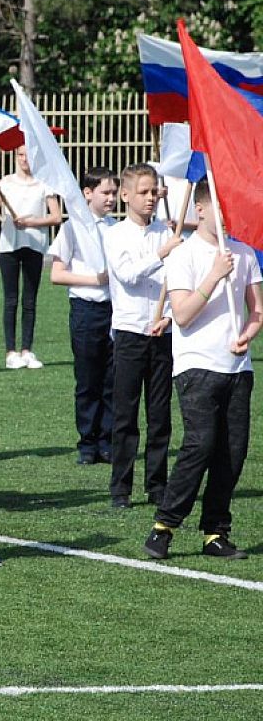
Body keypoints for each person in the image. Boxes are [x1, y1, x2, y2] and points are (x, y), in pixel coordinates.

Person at [143, 180, 262, 561]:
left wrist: (247, 334)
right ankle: (164, 526)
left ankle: (216, 532)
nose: (227, 215)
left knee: (233, 451)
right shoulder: (185, 255)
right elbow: (182, 314)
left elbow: (257, 310)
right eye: (219, 207)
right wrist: (213, 276)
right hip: (197, 366)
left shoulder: (244, 254)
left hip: (236, 367)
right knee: (201, 443)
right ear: (201, 210)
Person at [105, 163, 180, 509]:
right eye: (143, 192)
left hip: (161, 332)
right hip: (130, 332)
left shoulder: (166, 231)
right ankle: (120, 487)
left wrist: (167, 316)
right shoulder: (115, 234)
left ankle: (157, 484)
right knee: (125, 414)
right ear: (126, 195)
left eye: (154, 192)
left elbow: (176, 280)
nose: (150, 198)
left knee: (160, 414)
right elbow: (129, 274)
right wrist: (163, 253)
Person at [48, 168, 118, 465]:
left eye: (114, 193)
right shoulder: (73, 227)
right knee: (88, 379)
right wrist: (96, 280)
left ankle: (108, 441)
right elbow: (57, 274)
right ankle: (87, 442)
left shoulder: (116, 228)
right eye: (105, 192)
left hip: (116, 312)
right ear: (87, 193)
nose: (111, 198)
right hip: (87, 310)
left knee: (113, 380)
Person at [0, 145, 61, 369]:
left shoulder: (44, 183)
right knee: (11, 300)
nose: (24, 159)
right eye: (20, 154)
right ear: (16, 156)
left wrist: (32, 222)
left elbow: (56, 217)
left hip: (34, 245)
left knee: (30, 300)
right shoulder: (6, 182)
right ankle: (11, 351)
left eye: (28, 155)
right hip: (9, 245)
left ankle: (27, 350)